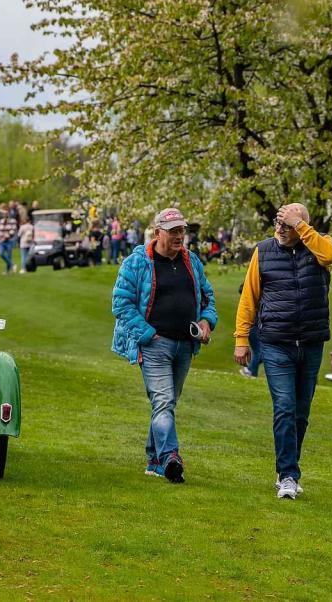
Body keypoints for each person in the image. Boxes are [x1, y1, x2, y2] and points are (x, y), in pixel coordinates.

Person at [234, 203, 332, 500]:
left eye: (287, 223)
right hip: (276, 342)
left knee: (301, 413)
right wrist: (242, 338)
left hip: (311, 343)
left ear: (302, 227)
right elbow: (249, 298)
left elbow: (329, 256)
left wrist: (300, 225)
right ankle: (289, 475)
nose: (280, 228)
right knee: (285, 407)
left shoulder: (320, 247)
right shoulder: (263, 251)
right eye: (278, 222)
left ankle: (286, 469)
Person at [112, 207, 217, 484]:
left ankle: (154, 460)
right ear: (158, 232)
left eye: (182, 231)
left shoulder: (191, 261)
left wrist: (207, 321)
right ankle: (171, 457)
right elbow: (121, 304)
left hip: (185, 345)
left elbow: (207, 296)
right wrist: (147, 335)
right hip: (154, 344)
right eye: (173, 231)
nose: (179, 236)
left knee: (166, 403)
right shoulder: (136, 263)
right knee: (163, 401)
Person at [0, 203, 18, 273]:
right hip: (2, 241)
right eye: (3, 214)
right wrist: (1, 236)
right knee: (1, 254)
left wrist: (6, 236)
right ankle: (12, 265)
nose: (4, 215)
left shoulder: (13, 221)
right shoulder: (1, 221)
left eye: (6, 214)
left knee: (9, 255)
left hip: (9, 241)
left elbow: (13, 230)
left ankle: (7, 271)